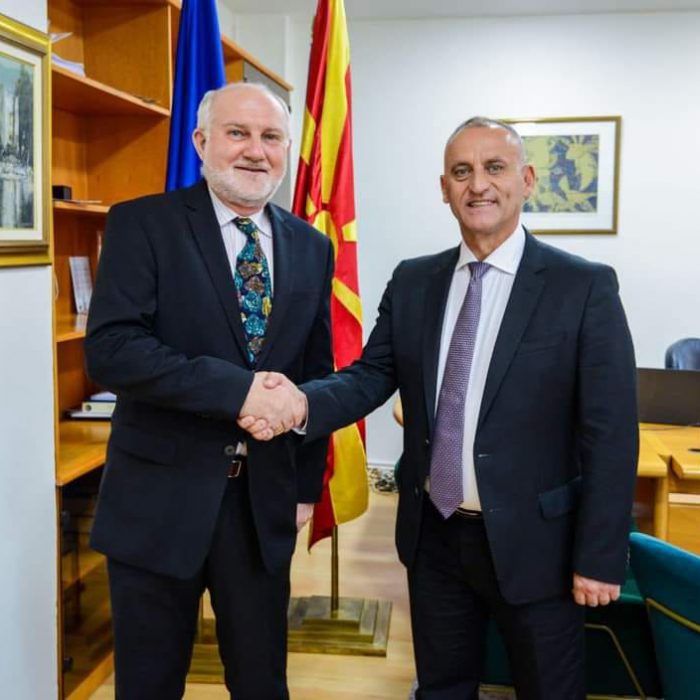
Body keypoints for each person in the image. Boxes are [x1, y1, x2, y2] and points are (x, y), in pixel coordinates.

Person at [241, 117, 639, 699]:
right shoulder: (414, 281)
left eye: (494, 168)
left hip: (537, 546)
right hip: (435, 537)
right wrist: (299, 403)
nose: (478, 184)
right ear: (444, 188)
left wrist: (600, 556)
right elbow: (370, 376)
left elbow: (611, 433)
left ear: (527, 180)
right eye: (461, 171)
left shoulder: (582, 287)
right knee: (440, 688)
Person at [84, 82, 332, 700]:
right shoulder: (143, 224)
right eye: (237, 133)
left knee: (261, 683)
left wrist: (305, 486)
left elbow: (314, 372)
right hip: (157, 501)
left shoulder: (311, 246)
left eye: (271, 137)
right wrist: (239, 392)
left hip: (262, 505)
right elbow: (113, 350)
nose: (255, 150)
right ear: (200, 141)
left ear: (287, 149)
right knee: (149, 684)